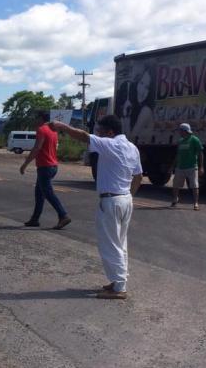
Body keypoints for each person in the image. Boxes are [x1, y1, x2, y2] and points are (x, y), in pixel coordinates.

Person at [50, 115, 143, 299]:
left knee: (110, 244)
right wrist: (130, 195)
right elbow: (138, 175)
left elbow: (83, 136)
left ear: (110, 132)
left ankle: (119, 288)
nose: (97, 135)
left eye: (100, 131)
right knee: (120, 243)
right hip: (125, 199)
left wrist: (62, 126)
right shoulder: (132, 148)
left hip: (111, 201)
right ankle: (118, 281)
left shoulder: (110, 145)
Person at [20, 111, 71, 230]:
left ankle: (63, 215)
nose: (34, 120)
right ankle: (35, 219)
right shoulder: (53, 130)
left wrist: (25, 164)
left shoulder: (42, 130)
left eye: (36, 117)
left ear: (41, 118)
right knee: (39, 192)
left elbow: (37, 148)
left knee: (48, 193)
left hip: (45, 167)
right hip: (53, 166)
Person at [171, 123, 204, 210]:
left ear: (184, 131)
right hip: (180, 167)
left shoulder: (194, 140)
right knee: (176, 184)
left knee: (194, 185)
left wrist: (201, 167)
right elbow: (178, 155)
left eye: (180, 130)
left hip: (192, 167)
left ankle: (196, 203)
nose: (179, 132)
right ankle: (175, 199)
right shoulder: (180, 141)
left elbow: (200, 153)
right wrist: (172, 166)